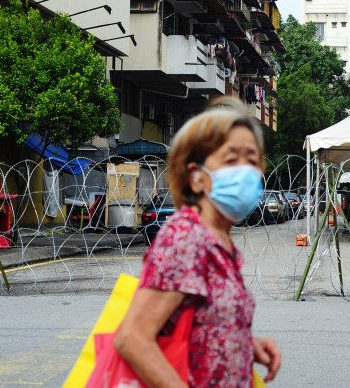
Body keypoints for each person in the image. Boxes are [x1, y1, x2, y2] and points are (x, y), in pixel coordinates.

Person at [114, 97, 281, 387]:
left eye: (253, 160)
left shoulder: (220, 242)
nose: (246, 170)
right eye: (231, 159)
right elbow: (132, 339)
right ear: (197, 178)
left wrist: (244, 345)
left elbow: (201, 324)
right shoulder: (186, 237)